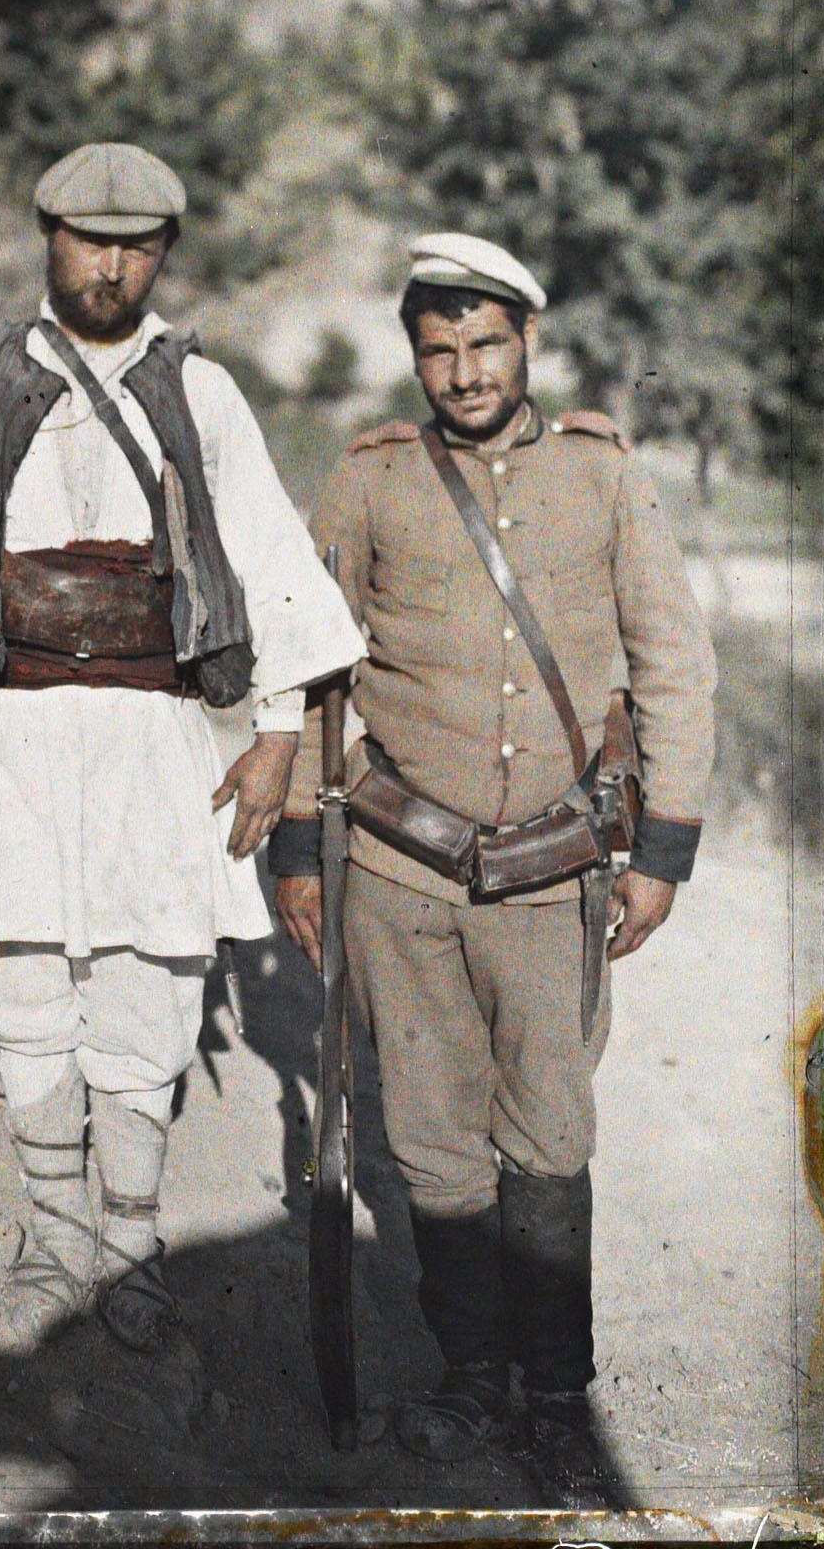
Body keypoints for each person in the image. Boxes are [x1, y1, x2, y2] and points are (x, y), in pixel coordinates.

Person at [0, 142, 363, 1353]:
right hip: (6, 729)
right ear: (46, 234)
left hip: (156, 735)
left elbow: (271, 562)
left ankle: (132, 1247)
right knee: (23, 976)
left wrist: (278, 732)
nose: (110, 262)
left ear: (163, 251)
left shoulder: (202, 395)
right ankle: (52, 1238)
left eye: (136, 242)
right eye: (90, 238)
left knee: (149, 986)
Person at [269, 232, 716, 1497]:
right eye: (438, 349)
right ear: (415, 357)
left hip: (550, 870)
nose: (463, 372)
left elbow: (672, 660)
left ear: (528, 340)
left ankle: (558, 1398)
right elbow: (312, 678)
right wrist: (305, 845)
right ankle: (471, 1377)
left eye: (485, 343)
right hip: (401, 872)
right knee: (432, 1144)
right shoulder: (368, 482)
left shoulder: (602, 479)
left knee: (551, 1135)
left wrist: (662, 850)